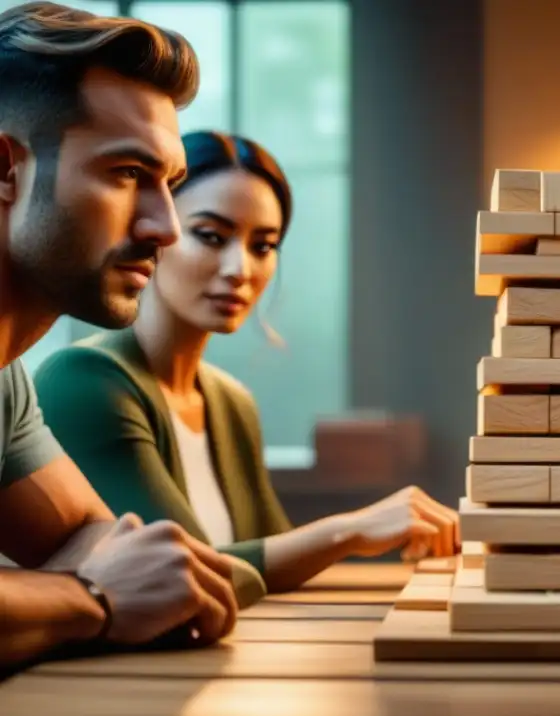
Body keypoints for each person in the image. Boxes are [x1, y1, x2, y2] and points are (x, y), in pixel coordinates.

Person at [33, 130, 460, 595]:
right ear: (156, 231)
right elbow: (180, 576)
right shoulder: (83, 383)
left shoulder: (230, 401)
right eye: (211, 236)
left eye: (263, 246)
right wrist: (351, 530)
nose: (241, 269)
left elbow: (275, 557)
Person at [0, 1, 245, 670]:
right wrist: (91, 600)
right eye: (128, 175)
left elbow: (93, 537)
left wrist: (101, 581)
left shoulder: (5, 381)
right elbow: (104, 576)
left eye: (169, 184)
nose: (165, 227)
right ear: (4, 170)